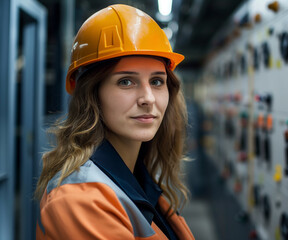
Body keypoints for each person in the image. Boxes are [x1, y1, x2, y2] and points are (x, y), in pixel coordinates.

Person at [35, 4, 194, 240]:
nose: (148, 99)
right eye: (126, 82)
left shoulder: (137, 176)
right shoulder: (79, 200)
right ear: (92, 94)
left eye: (157, 81)